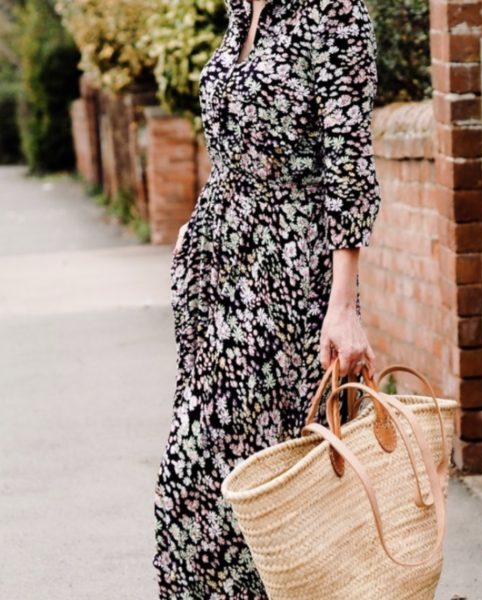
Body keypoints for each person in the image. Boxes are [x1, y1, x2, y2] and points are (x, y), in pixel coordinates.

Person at [152, 0, 382, 596]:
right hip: (221, 272)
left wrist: (343, 307)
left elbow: (348, 161)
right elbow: (240, 133)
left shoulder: (335, 11)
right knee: (206, 486)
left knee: (254, 485)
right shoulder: (242, 9)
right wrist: (204, 216)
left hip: (289, 278)